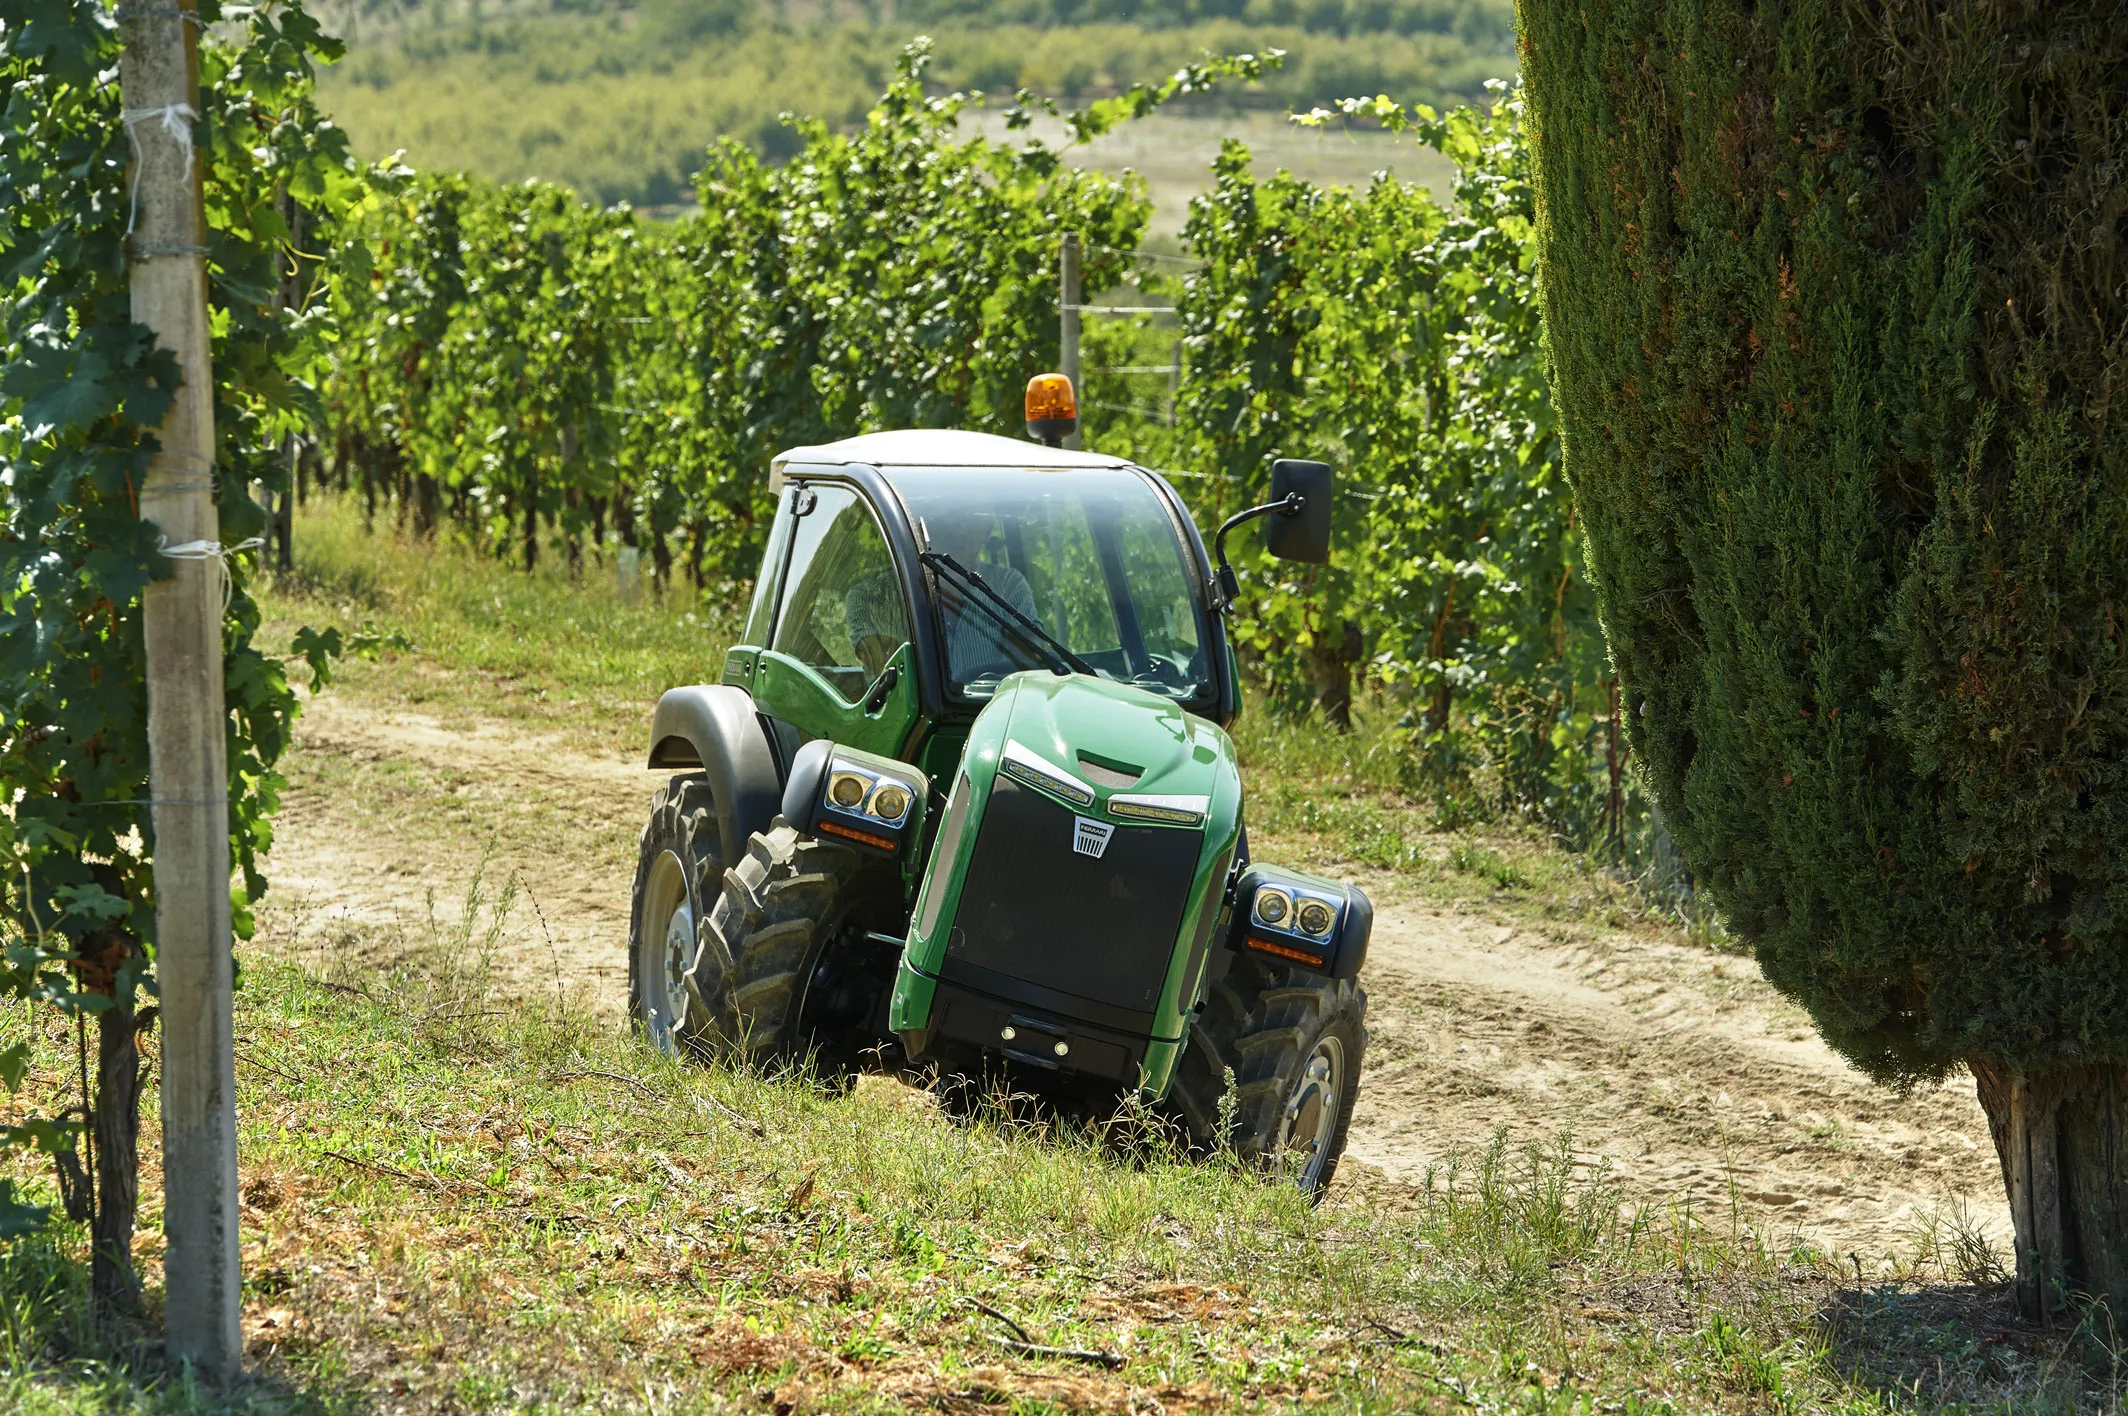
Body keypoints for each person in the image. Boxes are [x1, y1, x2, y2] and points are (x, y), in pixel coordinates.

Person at [846, 505, 1039, 685]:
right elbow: (888, 686)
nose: (961, 525)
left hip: (996, 715)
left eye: (973, 512)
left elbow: (1027, 675)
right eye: (952, 512)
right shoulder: (871, 597)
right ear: (920, 524)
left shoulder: (1009, 586)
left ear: (989, 529)